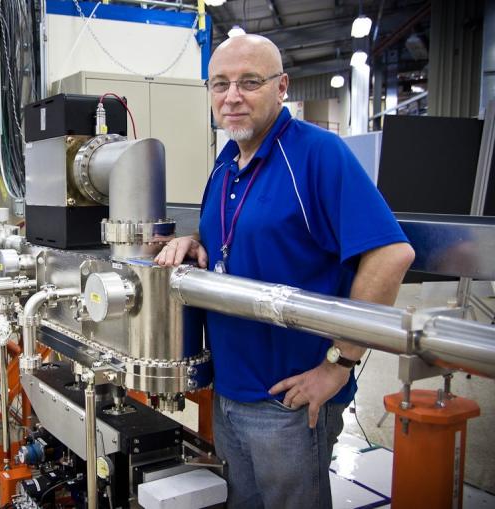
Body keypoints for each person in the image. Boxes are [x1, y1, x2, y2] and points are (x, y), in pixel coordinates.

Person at [155, 35, 415, 508]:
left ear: (282, 87)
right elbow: (236, 243)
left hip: (289, 403)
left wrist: (338, 365)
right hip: (230, 391)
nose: (232, 96)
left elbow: (391, 254)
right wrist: (195, 243)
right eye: (220, 84)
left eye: (250, 82)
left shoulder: (317, 155)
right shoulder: (227, 163)